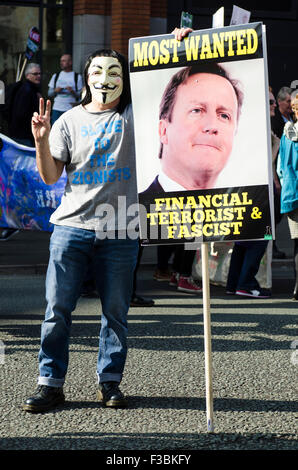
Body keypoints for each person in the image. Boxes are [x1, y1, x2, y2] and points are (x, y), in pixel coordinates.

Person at [23, 49, 139, 413]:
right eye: (98, 72)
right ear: (86, 78)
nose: (105, 79)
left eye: (114, 71)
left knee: (116, 312)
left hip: (122, 227)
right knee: (57, 309)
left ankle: (110, 383)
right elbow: (50, 176)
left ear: (125, 77)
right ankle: (50, 384)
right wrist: (41, 139)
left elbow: (171, 78)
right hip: (71, 228)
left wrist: (179, 42)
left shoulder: (137, 116)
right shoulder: (69, 120)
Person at [142, 61, 243, 193]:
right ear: (164, 131)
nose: (212, 126)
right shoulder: (136, 210)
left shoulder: (252, 209)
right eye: (197, 110)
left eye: (224, 116)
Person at [278, 91, 298, 300]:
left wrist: (287, 185)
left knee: (297, 244)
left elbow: (280, 168)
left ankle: (297, 288)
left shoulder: (286, 133)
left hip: (292, 193)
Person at [269, 87, 286, 259]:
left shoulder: (271, 126)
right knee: (270, 221)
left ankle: (270, 246)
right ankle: (269, 246)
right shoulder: (266, 127)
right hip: (262, 187)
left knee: (275, 218)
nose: (273, 105)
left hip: (272, 181)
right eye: (270, 102)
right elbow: (268, 160)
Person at [8, 63, 41, 146]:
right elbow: (21, 113)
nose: (38, 76)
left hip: (24, 133)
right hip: (22, 135)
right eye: (35, 74)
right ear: (27, 75)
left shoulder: (32, 89)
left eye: (40, 73)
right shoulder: (26, 90)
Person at [48, 54, 83, 124]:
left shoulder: (77, 77)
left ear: (70, 62)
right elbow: (49, 94)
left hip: (70, 109)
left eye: (63, 61)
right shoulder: (56, 76)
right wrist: (56, 91)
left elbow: (81, 95)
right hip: (57, 108)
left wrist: (72, 91)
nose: (61, 63)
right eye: (61, 61)